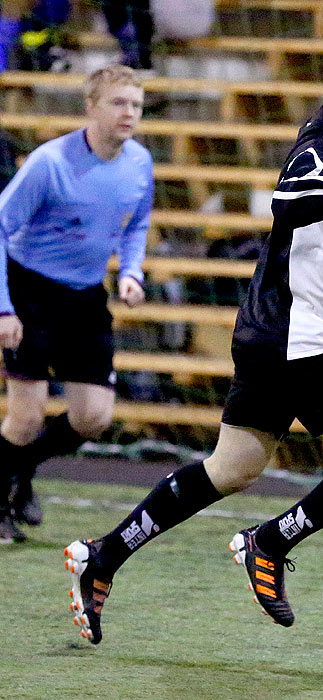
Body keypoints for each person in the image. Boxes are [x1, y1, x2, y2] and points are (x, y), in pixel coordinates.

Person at [64, 23, 323, 644]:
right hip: (303, 343)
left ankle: (101, 558)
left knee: (230, 468)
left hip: (271, 333)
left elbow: (315, 228)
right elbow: (289, 204)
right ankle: (268, 540)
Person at [0, 64, 153, 543]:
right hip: (30, 291)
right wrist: (5, 308)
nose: (129, 113)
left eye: (136, 105)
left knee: (94, 418)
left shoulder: (140, 163)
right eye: (118, 102)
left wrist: (131, 271)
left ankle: (16, 475)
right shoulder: (49, 163)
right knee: (25, 418)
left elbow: (136, 225)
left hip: (86, 297)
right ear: (90, 106)